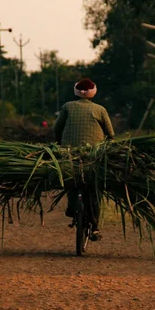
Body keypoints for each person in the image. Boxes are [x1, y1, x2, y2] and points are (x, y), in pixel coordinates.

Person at [54, 78, 115, 241]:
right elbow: (111, 134)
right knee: (95, 190)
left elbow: (57, 128)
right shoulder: (100, 109)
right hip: (94, 156)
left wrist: (58, 143)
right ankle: (95, 228)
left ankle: (71, 206)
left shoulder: (67, 107)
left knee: (70, 180)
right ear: (93, 93)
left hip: (69, 153)